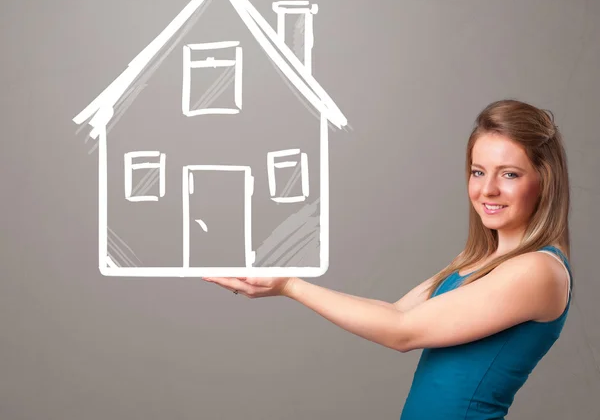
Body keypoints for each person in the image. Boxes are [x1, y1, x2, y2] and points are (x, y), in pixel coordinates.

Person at [202, 99, 573, 420]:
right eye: (478, 172)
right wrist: (283, 283)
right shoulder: (480, 259)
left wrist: (290, 286)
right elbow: (395, 311)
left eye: (509, 174)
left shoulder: (537, 270)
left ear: (545, 180)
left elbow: (402, 331)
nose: (487, 189)